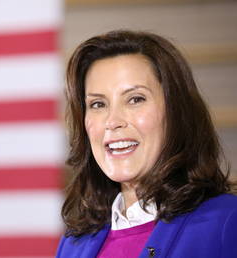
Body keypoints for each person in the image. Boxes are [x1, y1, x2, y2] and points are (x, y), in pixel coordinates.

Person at [56, 30, 237, 258]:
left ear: (175, 112)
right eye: (98, 104)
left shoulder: (226, 223)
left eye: (135, 99)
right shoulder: (73, 243)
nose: (112, 122)